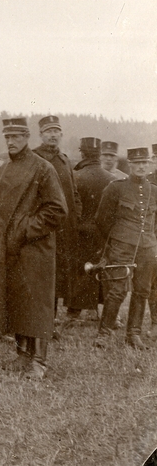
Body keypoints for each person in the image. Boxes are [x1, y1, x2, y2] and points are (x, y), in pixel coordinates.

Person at [0, 117, 67, 379]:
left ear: (27, 137)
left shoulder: (43, 168)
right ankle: (22, 355)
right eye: (7, 137)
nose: (11, 142)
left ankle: (39, 361)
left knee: (38, 303)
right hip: (9, 249)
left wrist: (25, 230)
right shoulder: (4, 169)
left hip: (35, 249)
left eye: (17, 137)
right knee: (17, 300)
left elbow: (57, 209)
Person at [92, 147, 155, 349]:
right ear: (130, 164)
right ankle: (104, 334)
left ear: (150, 165)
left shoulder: (154, 191)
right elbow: (102, 219)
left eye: (145, 163)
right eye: (137, 163)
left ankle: (134, 334)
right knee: (117, 290)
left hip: (147, 248)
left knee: (142, 291)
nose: (141, 167)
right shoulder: (116, 188)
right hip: (122, 248)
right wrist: (118, 240)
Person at [33, 115, 80, 330]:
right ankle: (43, 323)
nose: (53, 135)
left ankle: (50, 321)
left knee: (59, 276)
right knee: (44, 277)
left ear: (61, 134)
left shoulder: (64, 159)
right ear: (40, 135)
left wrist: (75, 215)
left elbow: (74, 193)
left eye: (56, 131)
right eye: (48, 131)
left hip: (65, 230)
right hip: (45, 229)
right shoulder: (35, 158)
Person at [70, 137, 112, 321]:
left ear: (82, 153)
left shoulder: (75, 176)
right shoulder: (112, 179)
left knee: (81, 270)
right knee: (103, 268)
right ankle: (105, 311)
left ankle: (75, 311)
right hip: (104, 233)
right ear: (99, 154)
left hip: (80, 231)